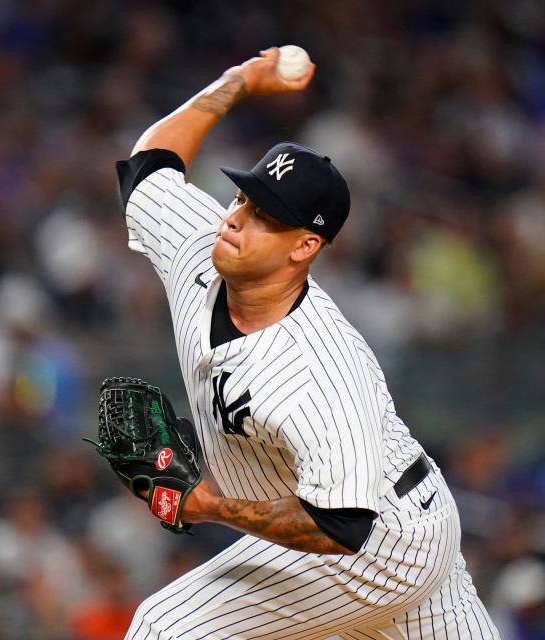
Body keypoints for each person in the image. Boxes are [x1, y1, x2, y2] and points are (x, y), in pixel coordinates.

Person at [115, 47, 499, 639]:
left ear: (304, 248)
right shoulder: (203, 245)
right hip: (405, 512)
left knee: (163, 630)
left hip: (377, 545)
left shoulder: (317, 368)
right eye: (243, 197)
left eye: (266, 215)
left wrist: (207, 504)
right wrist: (236, 81)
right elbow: (151, 165)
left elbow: (339, 526)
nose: (237, 218)